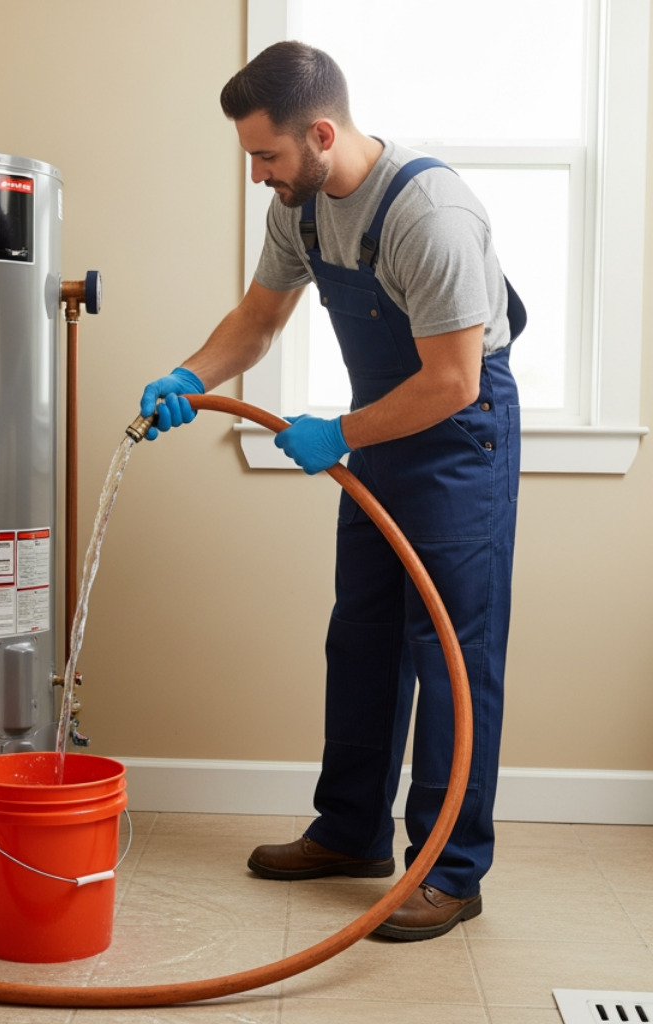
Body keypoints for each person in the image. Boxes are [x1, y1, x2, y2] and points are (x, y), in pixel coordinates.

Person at [137, 40, 521, 941]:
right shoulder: (302, 211)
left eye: (267, 157)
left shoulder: (431, 213)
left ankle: (450, 870)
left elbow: (456, 379)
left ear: (319, 133)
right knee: (363, 635)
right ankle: (352, 833)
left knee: (453, 654)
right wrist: (189, 376)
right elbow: (259, 318)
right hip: (383, 427)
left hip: (458, 437)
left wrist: (339, 433)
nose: (259, 175)